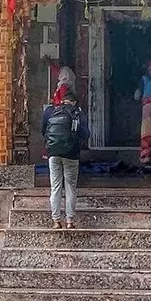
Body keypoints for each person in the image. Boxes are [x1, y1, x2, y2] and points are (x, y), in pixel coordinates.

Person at [42, 90, 89, 229]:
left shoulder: (50, 111)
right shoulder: (78, 113)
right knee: (70, 187)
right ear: (74, 102)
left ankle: (56, 221)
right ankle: (69, 221)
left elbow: (43, 131)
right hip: (71, 155)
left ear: (62, 100)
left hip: (53, 154)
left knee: (55, 187)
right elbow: (86, 134)